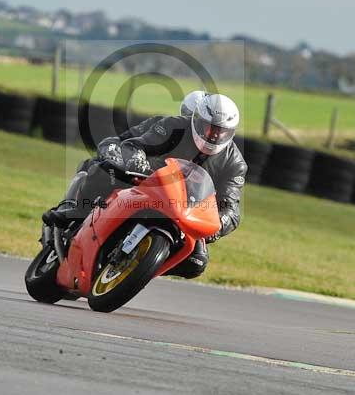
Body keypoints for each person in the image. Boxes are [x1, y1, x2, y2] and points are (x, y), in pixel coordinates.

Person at [44, 93, 247, 279]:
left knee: (196, 263)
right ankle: (76, 211)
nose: (214, 136)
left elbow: (231, 207)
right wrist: (137, 160)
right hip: (146, 181)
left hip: (184, 209)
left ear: (231, 133)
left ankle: (139, 270)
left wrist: (219, 224)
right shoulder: (173, 126)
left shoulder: (235, 163)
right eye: (210, 128)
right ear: (197, 120)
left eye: (222, 132)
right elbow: (138, 144)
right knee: (105, 169)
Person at [43, 90, 209, 221]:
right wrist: (118, 154)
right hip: (135, 175)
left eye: (205, 126)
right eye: (191, 119)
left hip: (167, 197)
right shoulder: (163, 125)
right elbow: (126, 140)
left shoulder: (209, 154)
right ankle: (71, 210)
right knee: (98, 167)